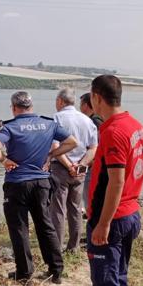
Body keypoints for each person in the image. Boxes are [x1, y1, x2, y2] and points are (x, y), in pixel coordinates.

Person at [0, 91, 78, 284]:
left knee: (19, 228)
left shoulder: (10, 127)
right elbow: (72, 142)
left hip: (17, 184)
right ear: (31, 106)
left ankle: (25, 273)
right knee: (46, 226)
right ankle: (56, 271)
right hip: (42, 183)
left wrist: (4, 160)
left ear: (13, 108)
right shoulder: (48, 124)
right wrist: (52, 155)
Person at [86, 75, 143, 286]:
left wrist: (103, 223)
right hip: (130, 212)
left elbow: (117, 179)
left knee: (105, 282)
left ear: (97, 97)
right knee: (118, 276)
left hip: (113, 217)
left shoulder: (113, 130)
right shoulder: (136, 126)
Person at [50, 88, 98, 253]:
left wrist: (68, 165)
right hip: (81, 169)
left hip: (60, 168)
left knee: (58, 209)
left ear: (60, 101)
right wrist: (80, 165)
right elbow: (93, 148)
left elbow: (55, 146)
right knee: (76, 208)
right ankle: (74, 246)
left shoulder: (57, 118)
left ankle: (56, 247)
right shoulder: (87, 120)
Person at [80, 92, 103, 215]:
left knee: (89, 196)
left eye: (81, 103)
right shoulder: (95, 119)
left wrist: (91, 162)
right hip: (92, 162)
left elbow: (98, 143)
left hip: (92, 164)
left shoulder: (94, 121)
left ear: (85, 105)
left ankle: (93, 227)